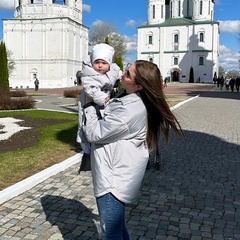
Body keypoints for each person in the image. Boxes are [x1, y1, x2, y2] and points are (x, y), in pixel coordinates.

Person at [80, 60, 183, 239]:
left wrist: (88, 105)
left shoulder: (130, 110)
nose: (122, 74)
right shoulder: (129, 99)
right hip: (117, 173)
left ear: (139, 85)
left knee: (111, 232)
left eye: (128, 74)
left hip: (112, 180)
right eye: (126, 69)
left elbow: (95, 133)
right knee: (117, 228)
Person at [77, 43, 122, 170]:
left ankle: (102, 152)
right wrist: (101, 97)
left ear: (109, 64)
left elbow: (117, 74)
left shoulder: (112, 71)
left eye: (103, 62)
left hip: (105, 105)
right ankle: (88, 154)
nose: (100, 65)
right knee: (87, 127)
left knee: (103, 127)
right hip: (90, 104)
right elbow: (90, 88)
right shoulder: (89, 74)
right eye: (97, 62)